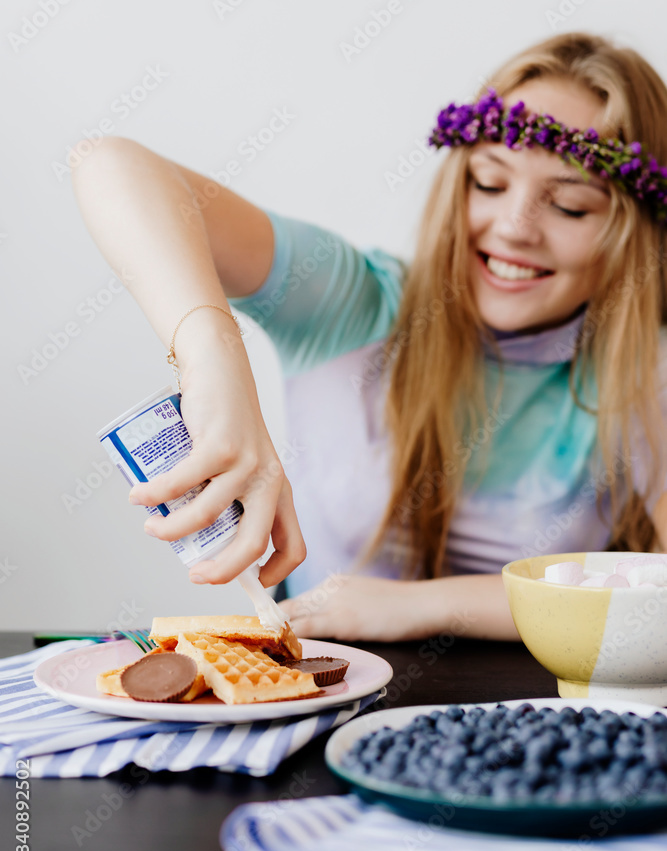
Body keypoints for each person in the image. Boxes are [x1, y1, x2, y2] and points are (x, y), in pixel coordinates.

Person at [72, 32, 667, 643]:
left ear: (633, 235)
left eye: (569, 206)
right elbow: (109, 163)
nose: (514, 228)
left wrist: (422, 606)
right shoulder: (352, 303)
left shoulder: (643, 380)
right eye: (489, 183)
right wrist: (211, 363)